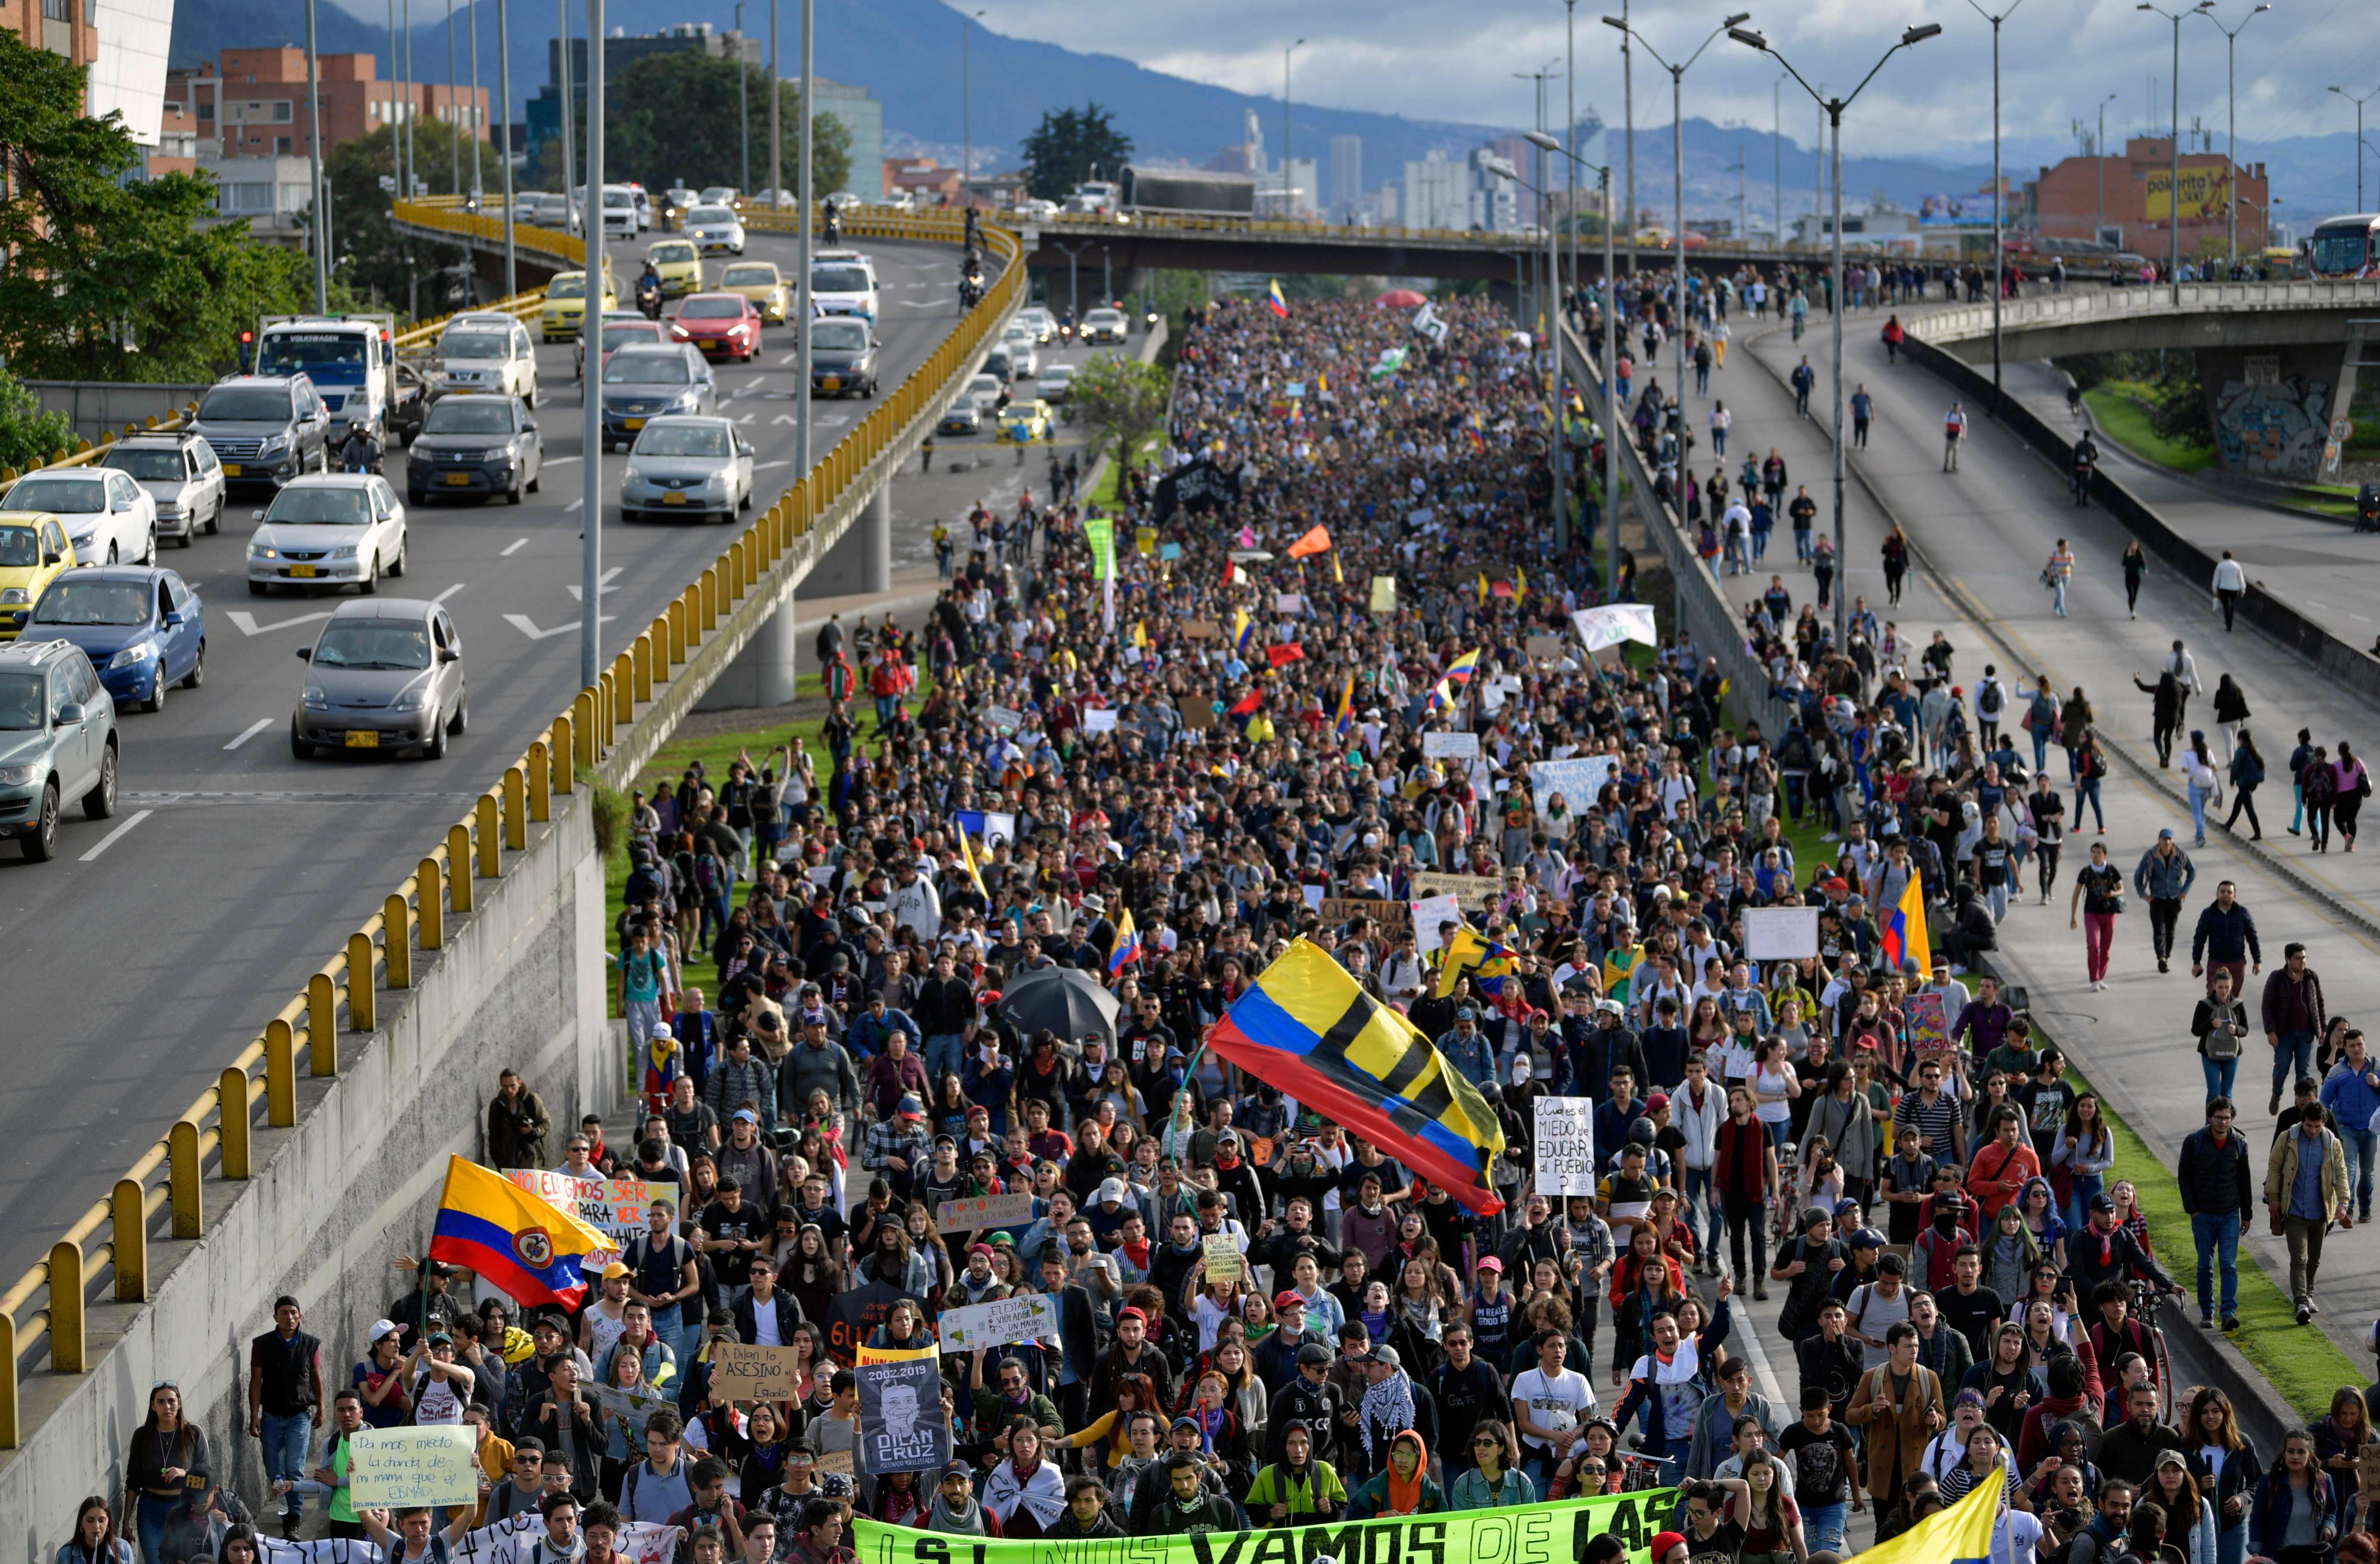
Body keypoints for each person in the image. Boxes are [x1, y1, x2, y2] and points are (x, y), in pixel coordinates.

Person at [2264, 1100, 2350, 1325]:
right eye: (2309, 1126)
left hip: (2321, 1212)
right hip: (2293, 1210)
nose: (2313, 1131)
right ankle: (2301, 1301)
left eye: (2317, 1126)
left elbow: (2341, 1173)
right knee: (2299, 1259)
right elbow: (2274, 1167)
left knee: (2314, 1259)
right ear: (2303, 1122)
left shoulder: (2332, 1144)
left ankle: (2309, 1295)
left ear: (2323, 1124)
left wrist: (2344, 1202)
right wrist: (2273, 1198)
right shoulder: (2288, 1138)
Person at [2133, 829, 2197, 975]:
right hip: (2157, 898)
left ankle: (2167, 956)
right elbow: (2138, 874)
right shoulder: (2151, 855)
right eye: (2164, 839)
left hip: (2174, 898)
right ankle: (2161, 957)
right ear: (2159, 840)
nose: (2167, 842)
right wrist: (2143, 894)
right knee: (2159, 929)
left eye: (2169, 839)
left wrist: (2184, 891)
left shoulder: (2180, 855)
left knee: (2171, 930)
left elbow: (2192, 872)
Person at [2212, 550, 2247, 631]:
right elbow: (2241, 578)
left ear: (2223, 557)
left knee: (2226, 606)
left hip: (2224, 588)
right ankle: (2230, 620)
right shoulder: (2236, 565)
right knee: (2231, 605)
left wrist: (2214, 591)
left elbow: (2216, 579)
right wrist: (2243, 589)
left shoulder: (2220, 566)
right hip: (2235, 589)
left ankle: (2229, 624)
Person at [1942, 403, 1969, 472]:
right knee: (1948, 449)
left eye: (1958, 408)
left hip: (1957, 435)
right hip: (1950, 434)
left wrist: (1964, 434)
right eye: (1956, 408)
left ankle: (1954, 466)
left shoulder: (1962, 416)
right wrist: (1946, 431)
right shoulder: (1949, 414)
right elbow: (1946, 423)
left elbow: (1965, 426)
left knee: (1956, 450)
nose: (1957, 410)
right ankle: (1946, 465)